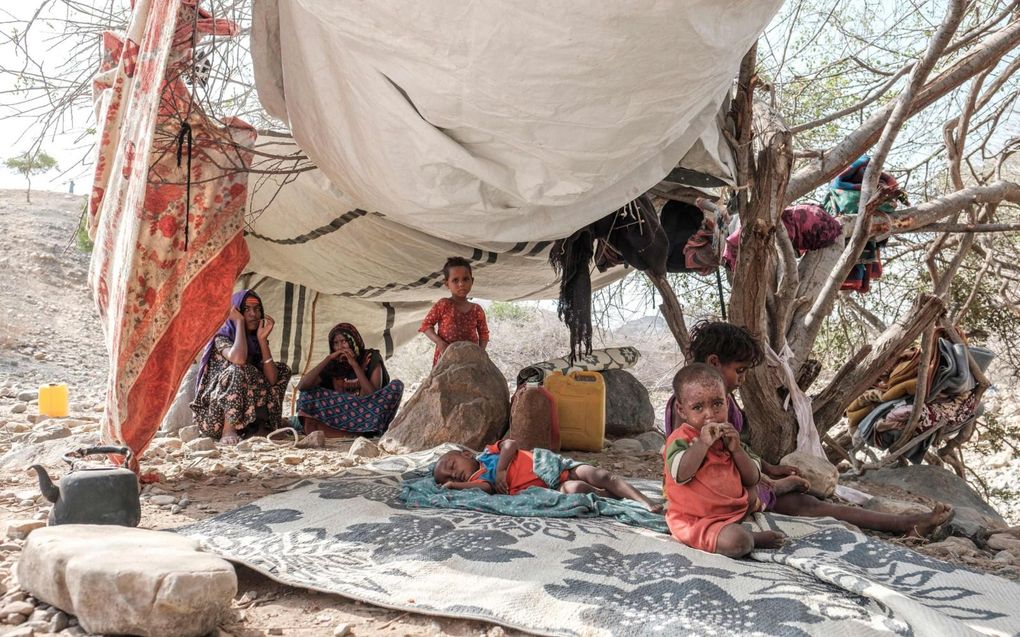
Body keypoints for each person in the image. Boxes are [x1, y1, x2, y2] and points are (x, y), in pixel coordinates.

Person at [679, 320, 953, 537]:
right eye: (739, 370)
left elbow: (733, 448)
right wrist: (764, 484)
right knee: (804, 503)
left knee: (807, 503)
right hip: (716, 497)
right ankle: (903, 523)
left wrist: (769, 469)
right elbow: (691, 464)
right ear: (714, 362)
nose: (742, 379)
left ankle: (903, 523)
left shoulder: (722, 403)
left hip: (738, 485)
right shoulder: (688, 412)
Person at [665, 363, 785, 557]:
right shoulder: (682, 438)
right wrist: (702, 444)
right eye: (698, 407)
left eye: (717, 404)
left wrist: (736, 450)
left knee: (754, 491)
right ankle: (753, 538)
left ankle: (781, 488)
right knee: (739, 541)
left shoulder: (730, 435)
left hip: (732, 511)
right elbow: (680, 474)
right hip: (695, 519)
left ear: (727, 402)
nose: (710, 414)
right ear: (681, 410)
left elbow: (752, 478)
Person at [434, 439, 662, 512]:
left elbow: (511, 444)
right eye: (447, 477)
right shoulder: (478, 481)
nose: (453, 473)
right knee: (578, 490)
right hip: (553, 486)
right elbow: (485, 489)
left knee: (599, 474)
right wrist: (454, 486)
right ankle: (612, 498)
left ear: (466, 453)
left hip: (557, 467)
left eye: (451, 464)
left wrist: (502, 469)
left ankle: (646, 501)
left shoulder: (489, 453)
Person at [191, 289, 292, 445]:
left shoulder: (255, 341)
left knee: (282, 370)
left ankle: (264, 425)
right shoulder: (222, 337)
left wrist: (262, 341)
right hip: (215, 417)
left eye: (258, 309)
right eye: (247, 309)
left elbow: (272, 380)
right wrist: (238, 323)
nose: (254, 314)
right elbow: (238, 359)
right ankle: (228, 430)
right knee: (237, 370)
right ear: (235, 312)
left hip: (247, 413)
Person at [296, 323, 404, 436]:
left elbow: (372, 396)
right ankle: (348, 434)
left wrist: (355, 365)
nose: (340, 347)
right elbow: (302, 386)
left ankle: (362, 432)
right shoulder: (333, 364)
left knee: (397, 386)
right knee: (307, 393)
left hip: (367, 414)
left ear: (354, 341)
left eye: (344, 341)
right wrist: (328, 359)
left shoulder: (370, 357)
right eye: (336, 343)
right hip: (342, 415)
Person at [419, 257, 489, 366]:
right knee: (443, 382)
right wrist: (440, 343)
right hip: (446, 359)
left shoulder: (477, 309)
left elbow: (484, 334)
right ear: (447, 284)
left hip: (469, 361)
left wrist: (480, 352)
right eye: (455, 280)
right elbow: (426, 326)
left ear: (472, 281)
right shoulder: (443, 304)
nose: (461, 284)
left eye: (465, 279)